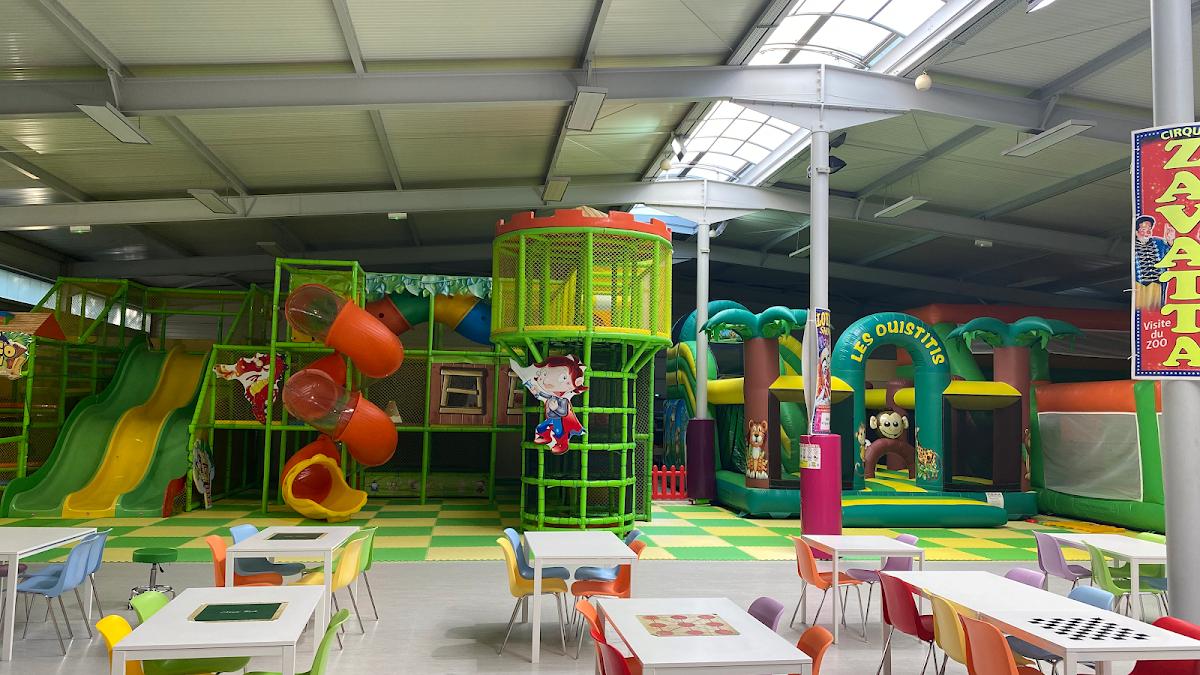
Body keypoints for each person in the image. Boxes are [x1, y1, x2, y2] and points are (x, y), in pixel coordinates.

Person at [510, 355, 588, 454]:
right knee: (540, 428)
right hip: (550, 418)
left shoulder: (563, 400)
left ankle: (562, 444)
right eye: (544, 374)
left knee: (558, 432)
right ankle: (546, 437)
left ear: (577, 382)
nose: (547, 381)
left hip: (557, 419)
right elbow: (544, 395)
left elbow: (564, 412)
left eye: (563, 377)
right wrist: (537, 391)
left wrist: (556, 408)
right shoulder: (551, 396)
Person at [1133, 215, 1174, 310]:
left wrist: (1170, 241)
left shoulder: (1159, 243)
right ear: (1136, 232)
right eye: (1144, 229)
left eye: (1149, 229)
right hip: (1139, 285)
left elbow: (1171, 255)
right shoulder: (1131, 246)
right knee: (1141, 311)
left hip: (1157, 286)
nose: (1147, 232)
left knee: (1156, 311)